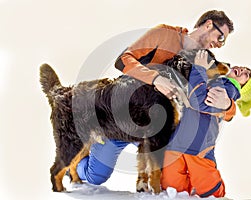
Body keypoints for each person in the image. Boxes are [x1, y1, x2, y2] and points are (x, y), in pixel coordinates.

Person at [76, 10, 236, 187]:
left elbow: (211, 99)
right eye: (221, 38)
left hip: (161, 131)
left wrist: (228, 106)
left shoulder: (205, 61)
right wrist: (156, 79)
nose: (220, 45)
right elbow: (122, 60)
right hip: (124, 117)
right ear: (208, 25)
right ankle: (76, 165)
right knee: (96, 177)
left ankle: (148, 183)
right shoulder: (165, 34)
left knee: (168, 176)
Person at [160, 50, 251, 198]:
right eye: (245, 68)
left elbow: (199, 102)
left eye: (247, 75)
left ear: (244, 88)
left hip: (198, 145)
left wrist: (198, 68)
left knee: (210, 190)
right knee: (171, 188)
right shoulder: (216, 80)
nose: (244, 70)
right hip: (180, 142)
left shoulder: (229, 89)